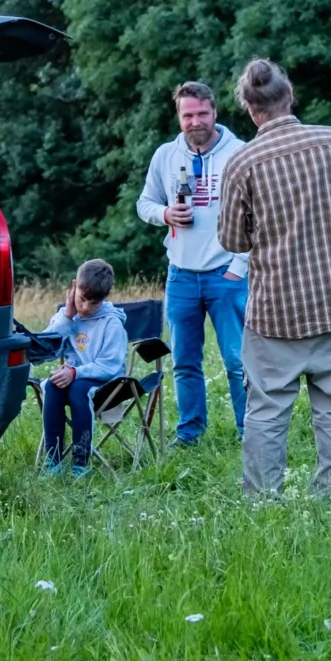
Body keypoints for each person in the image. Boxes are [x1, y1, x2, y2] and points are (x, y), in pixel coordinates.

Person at [215, 57, 331, 498]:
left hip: (274, 310)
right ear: (290, 96)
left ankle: (263, 503)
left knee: (266, 410)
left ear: (250, 108)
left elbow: (232, 240)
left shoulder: (241, 163)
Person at [134, 79, 249, 447]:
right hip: (181, 274)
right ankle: (190, 434)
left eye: (202, 113)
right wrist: (165, 213)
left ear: (215, 112)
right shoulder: (165, 155)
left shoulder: (241, 153)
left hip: (226, 274)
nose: (195, 121)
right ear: (179, 116)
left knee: (238, 361)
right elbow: (144, 203)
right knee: (184, 361)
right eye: (188, 115)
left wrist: (239, 266)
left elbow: (260, 216)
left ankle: (251, 431)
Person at [39, 259, 129, 476]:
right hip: (74, 376)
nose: (86, 307)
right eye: (82, 299)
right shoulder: (67, 318)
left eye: (94, 303)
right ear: (73, 287)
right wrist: (67, 317)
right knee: (52, 387)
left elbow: (109, 365)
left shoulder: (112, 323)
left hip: (107, 382)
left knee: (79, 391)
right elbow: (44, 349)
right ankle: (53, 460)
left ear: (104, 298)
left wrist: (74, 372)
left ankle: (80, 462)